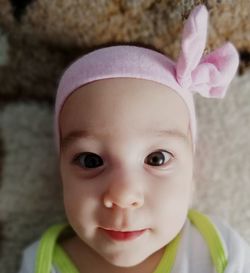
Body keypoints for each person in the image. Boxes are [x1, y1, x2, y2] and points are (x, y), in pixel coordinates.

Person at [17, 4, 250, 273]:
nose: (123, 195)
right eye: (90, 161)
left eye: (157, 159)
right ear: (60, 169)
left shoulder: (214, 250)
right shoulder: (40, 264)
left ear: (192, 167)